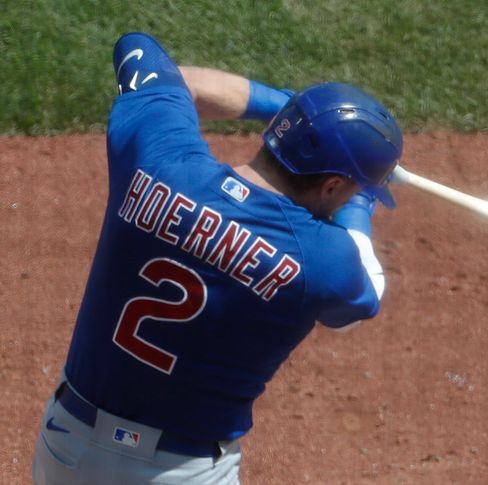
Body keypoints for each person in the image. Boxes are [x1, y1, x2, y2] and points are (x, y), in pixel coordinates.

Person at [32, 32, 402, 484]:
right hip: (177, 472)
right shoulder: (319, 260)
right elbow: (367, 292)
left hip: (66, 446)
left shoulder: (159, 158)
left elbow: (157, 65)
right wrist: (359, 204)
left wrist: (286, 107)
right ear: (330, 187)